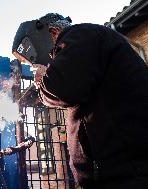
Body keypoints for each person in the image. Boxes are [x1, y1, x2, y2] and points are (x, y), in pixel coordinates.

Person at [12, 13, 148, 189]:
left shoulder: (79, 34)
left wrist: (42, 80)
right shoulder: (87, 48)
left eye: (34, 61)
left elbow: (61, 87)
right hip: (118, 172)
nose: (37, 65)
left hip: (128, 173)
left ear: (53, 33)